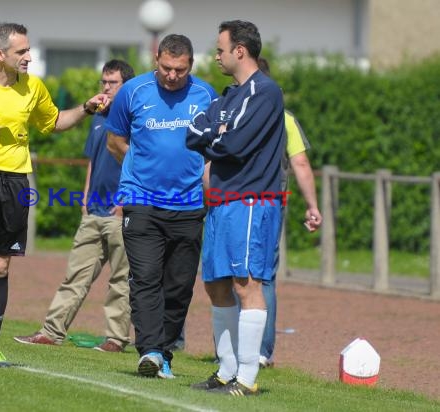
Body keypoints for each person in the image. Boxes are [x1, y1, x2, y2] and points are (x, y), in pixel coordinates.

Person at [0, 22, 109, 367]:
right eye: (21, 52)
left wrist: (87, 108)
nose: (29, 57)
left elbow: (55, 121)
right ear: (0, 55)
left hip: (16, 183)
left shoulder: (33, 87)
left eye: (28, 50)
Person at [105, 34, 218, 379]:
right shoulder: (133, 92)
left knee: (179, 285)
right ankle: (150, 351)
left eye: (180, 70)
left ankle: (165, 352)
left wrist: (205, 181)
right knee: (145, 277)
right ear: (156, 59)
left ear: (191, 67)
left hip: (188, 205)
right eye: (167, 68)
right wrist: (141, 166)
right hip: (141, 201)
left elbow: (214, 147)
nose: (172, 76)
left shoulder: (206, 95)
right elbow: (115, 140)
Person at [186, 20, 285, 395]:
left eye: (220, 49)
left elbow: (235, 146)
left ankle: (247, 377)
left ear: (240, 51)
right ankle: (225, 370)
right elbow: (191, 133)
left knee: (247, 285)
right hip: (220, 202)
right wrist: (217, 135)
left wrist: (215, 137)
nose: (216, 56)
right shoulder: (227, 96)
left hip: (251, 201)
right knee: (215, 285)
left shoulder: (266, 92)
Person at [13, 59, 135, 352]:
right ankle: (51, 332)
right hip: (93, 210)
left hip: (122, 212)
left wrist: (123, 202)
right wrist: (84, 197)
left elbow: (136, 162)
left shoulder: (134, 116)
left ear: (126, 85)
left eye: (112, 82)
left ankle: (115, 339)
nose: (105, 87)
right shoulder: (97, 117)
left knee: (120, 281)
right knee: (75, 276)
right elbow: (93, 161)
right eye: (103, 82)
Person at [256, 56, 322, 368]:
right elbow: (300, 163)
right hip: (270, 203)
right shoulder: (284, 118)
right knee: (265, 277)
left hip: (231, 202)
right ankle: (262, 352)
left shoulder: (232, 111)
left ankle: (228, 349)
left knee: (232, 276)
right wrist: (312, 206)